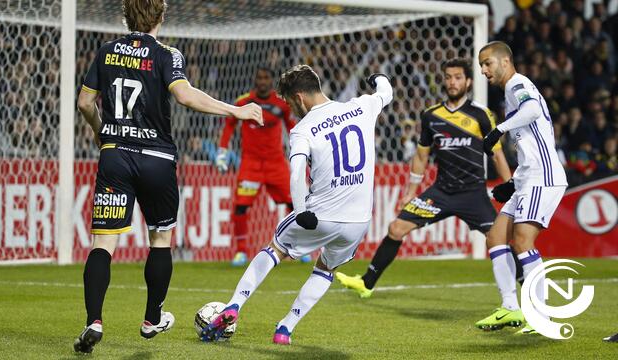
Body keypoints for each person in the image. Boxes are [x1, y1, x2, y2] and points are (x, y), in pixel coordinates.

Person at [73, 0, 262, 353]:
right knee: (160, 240)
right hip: (157, 160)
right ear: (162, 16)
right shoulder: (166, 54)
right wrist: (235, 110)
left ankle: (94, 321)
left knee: (103, 244)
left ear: (126, 16)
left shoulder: (105, 51)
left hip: (115, 156)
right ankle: (151, 318)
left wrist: (101, 132)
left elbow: (85, 103)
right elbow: (185, 96)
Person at [200, 65, 393, 345]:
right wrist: (379, 78)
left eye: (291, 103)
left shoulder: (303, 129)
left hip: (320, 214)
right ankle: (285, 329)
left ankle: (233, 305)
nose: (291, 109)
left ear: (300, 98)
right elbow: (386, 91)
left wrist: (301, 211)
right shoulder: (362, 106)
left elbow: (296, 171)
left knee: (275, 249)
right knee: (325, 269)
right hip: (358, 222)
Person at [337, 58, 515, 298]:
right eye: (448, 77)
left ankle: (531, 289)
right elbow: (421, 156)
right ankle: (366, 283)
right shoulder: (431, 116)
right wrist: (411, 190)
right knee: (396, 228)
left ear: (469, 81)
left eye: (458, 77)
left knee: (499, 241)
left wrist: (511, 188)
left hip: (473, 194)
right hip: (440, 193)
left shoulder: (481, 115)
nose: (452, 82)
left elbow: (497, 155)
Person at [477, 41, 568, 334]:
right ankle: (510, 308)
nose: (483, 70)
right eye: (481, 65)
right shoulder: (510, 91)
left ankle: (542, 316)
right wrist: (512, 183)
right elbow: (532, 142)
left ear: (504, 61)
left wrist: (497, 130)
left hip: (543, 177)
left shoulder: (518, 83)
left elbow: (530, 111)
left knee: (523, 241)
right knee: (495, 238)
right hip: (528, 179)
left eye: (487, 63)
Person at [215, 67, 308, 266]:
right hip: (251, 165)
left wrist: (302, 148)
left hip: (276, 163)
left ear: (271, 81)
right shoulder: (243, 102)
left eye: (266, 78)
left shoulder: (281, 104)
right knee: (241, 206)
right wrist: (222, 151)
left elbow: (292, 126)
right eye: (260, 78)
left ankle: (299, 247)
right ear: (255, 80)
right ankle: (241, 252)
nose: (263, 81)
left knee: (295, 204)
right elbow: (229, 126)